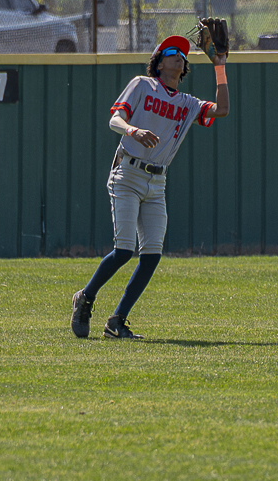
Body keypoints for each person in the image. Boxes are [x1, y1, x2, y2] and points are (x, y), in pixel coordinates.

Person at [71, 32, 230, 339]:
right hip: (127, 173)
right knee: (123, 250)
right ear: (158, 63)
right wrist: (132, 130)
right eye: (171, 52)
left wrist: (220, 66)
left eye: (182, 55)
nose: (178, 56)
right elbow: (115, 120)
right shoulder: (142, 85)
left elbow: (221, 110)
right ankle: (85, 298)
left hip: (157, 181)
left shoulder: (188, 103)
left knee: (152, 254)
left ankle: (117, 321)